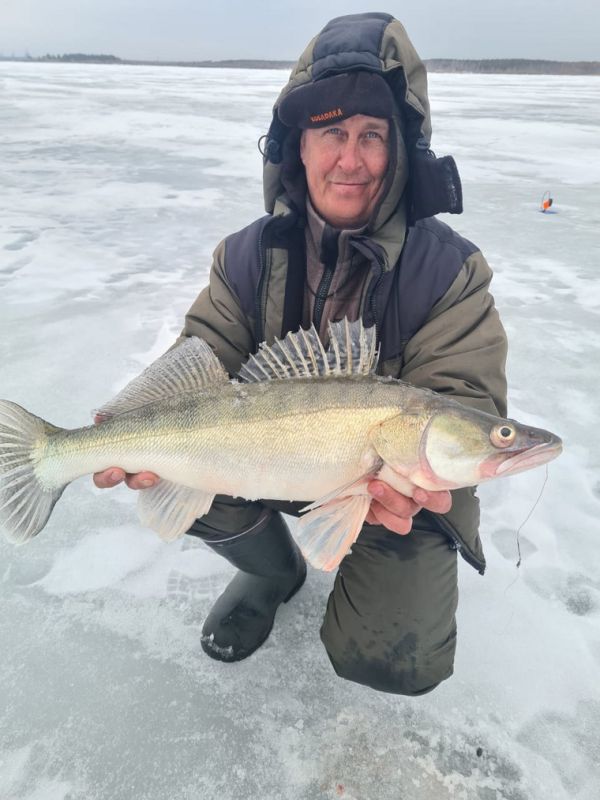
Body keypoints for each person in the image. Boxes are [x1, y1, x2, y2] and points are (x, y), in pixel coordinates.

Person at [94, 12, 507, 696]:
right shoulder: (247, 255)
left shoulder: (448, 272)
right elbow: (204, 352)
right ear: (298, 148)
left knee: (395, 659)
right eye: (331, 133)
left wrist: (436, 481)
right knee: (186, 444)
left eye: (372, 135)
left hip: (394, 491)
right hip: (267, 457)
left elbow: (463, 400)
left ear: (401, 151)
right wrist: (132, 428)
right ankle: (271, 571)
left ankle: (364, 563)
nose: (351, 158)